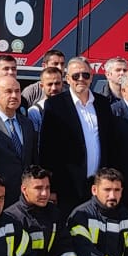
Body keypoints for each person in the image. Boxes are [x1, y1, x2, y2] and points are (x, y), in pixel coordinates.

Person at [39, 55, 110, 210]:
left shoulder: (103, 104)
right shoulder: (54, 105)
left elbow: (110, 144)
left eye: (85, 75)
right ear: (67, 79)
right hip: (68, 187)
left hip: (99, 186)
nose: (81, 79)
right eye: (75, 76)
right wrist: (52, 188)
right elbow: (47, 149)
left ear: (91, 77)